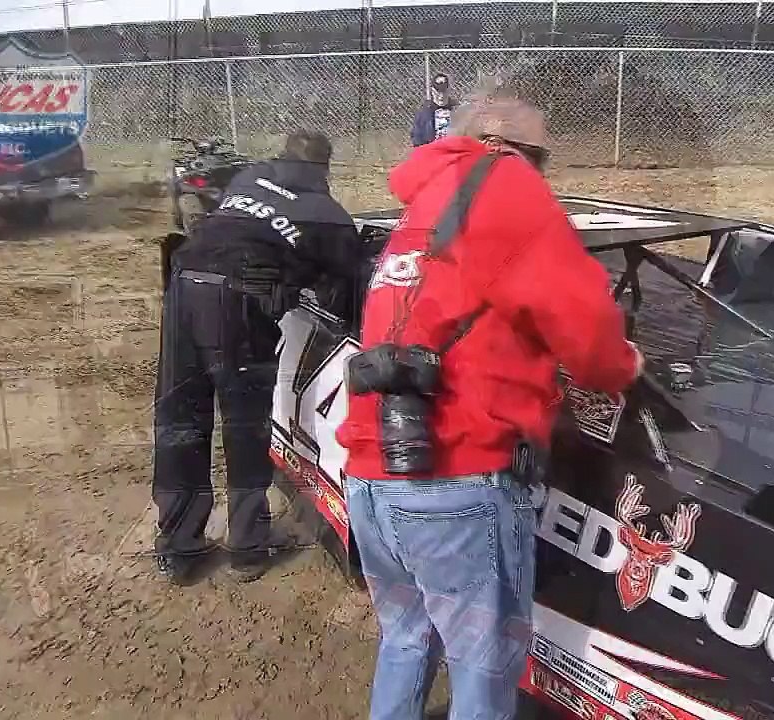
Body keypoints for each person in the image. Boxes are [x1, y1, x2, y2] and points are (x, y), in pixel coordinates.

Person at [337, 90, 644, 719]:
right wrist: (623, 365)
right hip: (458, 476)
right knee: (484, 668)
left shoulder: (426, 198)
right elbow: (588, 335)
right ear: (518, 152)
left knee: (405, 636)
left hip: (371, 475)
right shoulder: (509, 185)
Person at [152, 129, 362, 585]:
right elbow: (348, 289)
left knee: (180, 420)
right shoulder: (328, 215)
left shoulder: (251, 176)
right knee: (244, 425)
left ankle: (178, 548)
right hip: (237, 303)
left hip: (182, 284)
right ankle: (248, 546)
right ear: (324, 171)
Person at [410, 72, 457, 147]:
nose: (441, 96)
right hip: (432, 153)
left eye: (444, 91)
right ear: (432, 91)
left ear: (449, 90)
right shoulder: (423, 114)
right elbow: (417, 139)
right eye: (438, 92)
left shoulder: (457, 110)